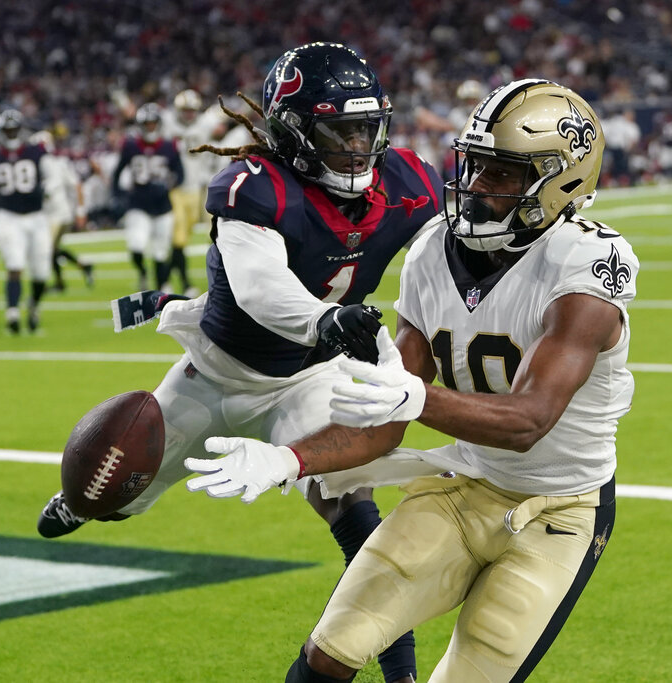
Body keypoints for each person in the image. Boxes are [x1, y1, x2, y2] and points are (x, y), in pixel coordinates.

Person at [184, 79, 638, 681]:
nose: (475, 187)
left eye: (500, 174)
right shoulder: (431, 252)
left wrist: (417, 396)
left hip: (559, 511)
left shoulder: (587, 263)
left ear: (560, 179)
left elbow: (530, 420)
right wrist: (287, 460)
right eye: (473, 167)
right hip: (462, 485)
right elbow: (385, 415)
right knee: (331, 649)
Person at [37, 42, 443, 683]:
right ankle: (79, 500)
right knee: (115, 492)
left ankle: (401, 672)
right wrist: (326, 319)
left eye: (368, 129)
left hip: (308, 375)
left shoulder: (409, 182)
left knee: (350, 503)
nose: (358, 147)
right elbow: (260, 290)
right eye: (341, 132)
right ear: (296, 131)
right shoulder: (256, 189)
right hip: (217, 371)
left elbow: (453, 243)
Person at [0, 109, 56, 334]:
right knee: (14, 264)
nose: (11, 134)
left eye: (14, 129)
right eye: (8, 130)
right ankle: (12, 312)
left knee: (41, 272)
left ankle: (33, 306)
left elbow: (52, 176)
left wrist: (49, 191)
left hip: (37, 215)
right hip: (8, 215)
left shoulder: (36, 150)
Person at [113, 102, 184, 291]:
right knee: (136, 245)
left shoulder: (169, 146)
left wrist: (170, 185)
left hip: (163, 206)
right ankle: (143, 272)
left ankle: (160, 290)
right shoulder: (130, 145)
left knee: (160, 252)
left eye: (153, 123)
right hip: (138, 203)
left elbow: (180, 174)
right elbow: (117, 172)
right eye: (147, 124)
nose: (150, 127)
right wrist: (118, 195)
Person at [163, 89, 221, 296]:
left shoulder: (206, 123)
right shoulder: (167, 122)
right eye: (185, 110)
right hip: (176, 188)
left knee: (199, 235)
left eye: (192, 110)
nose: (188, 114)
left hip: (198, 188)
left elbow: (225, 122)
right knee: (177, 238)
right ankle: (180, 281)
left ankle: (168, 279)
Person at [28, 130, 94, 292]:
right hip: (54, 214)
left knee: (46, 249)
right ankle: (82, 265)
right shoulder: (47, 163)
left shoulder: (56, 163)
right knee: (53, 249)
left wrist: (80, 210)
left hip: (57, 215)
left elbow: (76, 185)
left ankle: (60, 282)